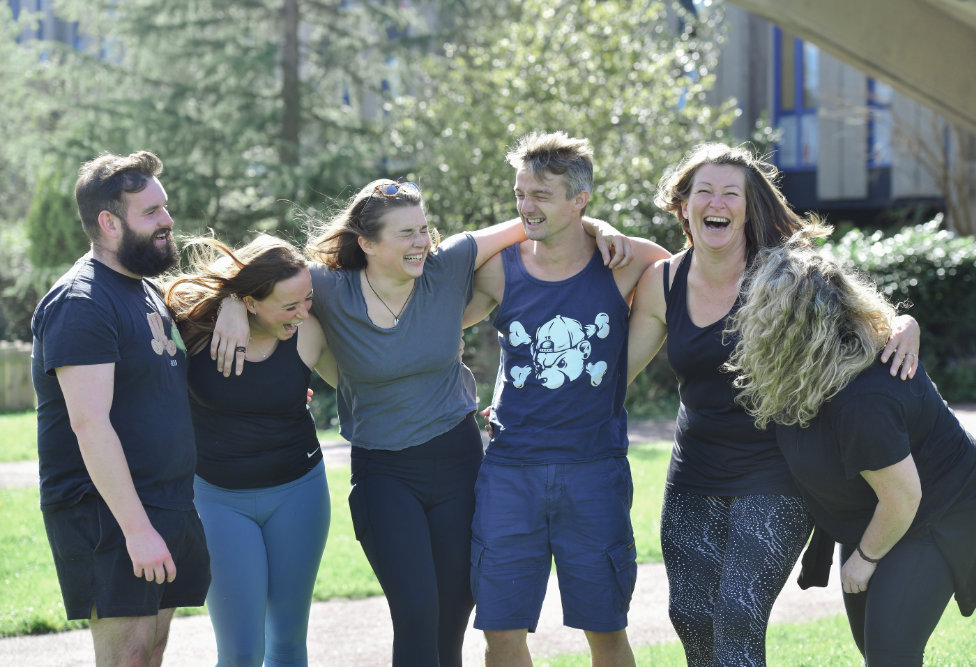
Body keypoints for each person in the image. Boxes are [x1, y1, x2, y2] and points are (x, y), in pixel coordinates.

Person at [212, 178, 632, 667]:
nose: (422, 243)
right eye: (407, 234)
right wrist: (229, 304)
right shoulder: (327, 286)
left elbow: (539, 220)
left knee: (454, 611)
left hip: (456, 459)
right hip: (384, 472)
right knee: (416, 610)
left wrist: (599, 226)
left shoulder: (448, 265)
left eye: (424, 229)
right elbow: (250, 274)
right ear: (367, 243)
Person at [626, 143, 921, 666]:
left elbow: (865, 319)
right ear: (684, 205)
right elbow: (614, 376)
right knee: (690, 616)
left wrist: (906, 325)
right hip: (693, 474)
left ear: (749, 206)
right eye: (704, 191)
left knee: (739, 614)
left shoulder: (784, 278)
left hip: (777, 473)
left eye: (730, 192)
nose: (717, 201)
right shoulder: (663, 281)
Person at [723, 238, 976, 666]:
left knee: (890, 656)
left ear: (790, 327)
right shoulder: (799, 377)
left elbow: (904, 496)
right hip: (873, 518)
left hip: (935, 515)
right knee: (877, 653)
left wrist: (865, 559)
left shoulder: (863, 395)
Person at [463, 131, 670, 667]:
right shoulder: (495, 269)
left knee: (605, 631)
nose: (525, 207)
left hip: (594, 469)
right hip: (510, 470)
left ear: (579, 200)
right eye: (519, 194)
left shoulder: (627, 262)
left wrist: (620, 376)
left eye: (540, 196)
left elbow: (684, 285)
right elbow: (422, 306)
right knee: (501, 632)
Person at [30, 151, 211, 666]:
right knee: (126, 658)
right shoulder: (81, 301)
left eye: (165, 208)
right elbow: (89, 425)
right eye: (151, 211)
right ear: (109, 222)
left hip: (165, 502)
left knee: (149, 652)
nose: (168, 220)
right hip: (108, 513)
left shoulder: (146, 291)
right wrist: (136, 529)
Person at [164, 235, 338, 666]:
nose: (303, 312)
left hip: (300, 492)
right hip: (218, 499)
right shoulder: (194, 328)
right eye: (290, 306)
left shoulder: (310, 331)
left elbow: (366, 379)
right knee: (241, 651)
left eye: (308, 300)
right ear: (252, 301)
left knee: (287, 641)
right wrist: (227, 303)